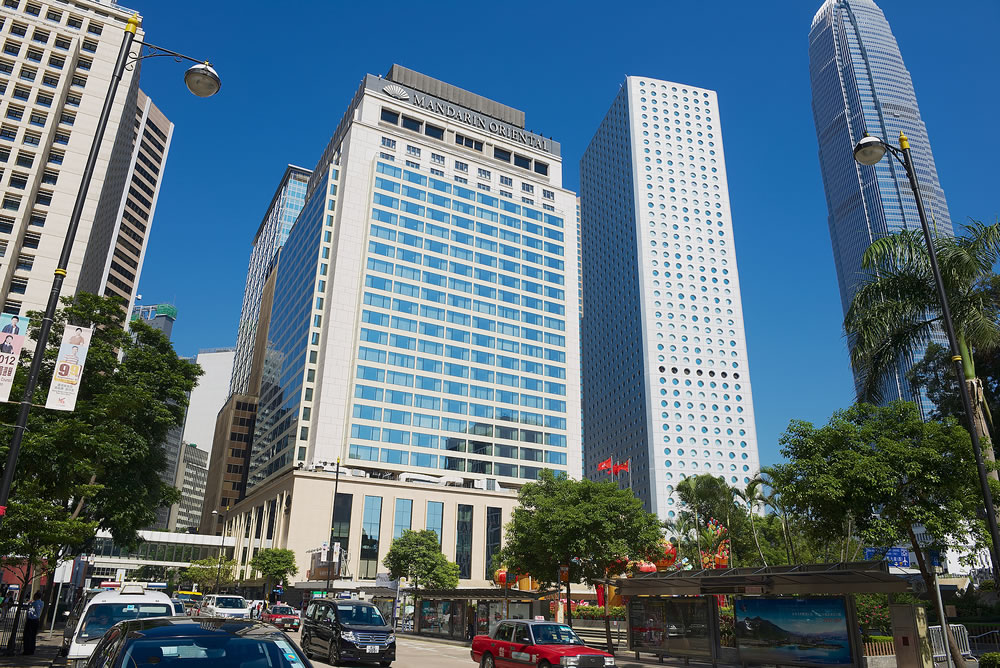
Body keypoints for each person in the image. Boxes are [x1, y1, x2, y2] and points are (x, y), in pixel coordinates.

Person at [23, 591, 43, 655]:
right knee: (33, 636)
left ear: (36, 596)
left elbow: (31, 609)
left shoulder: (34, 603)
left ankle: (27, 650)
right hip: (36, 620)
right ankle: (31, 649)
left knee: (27, 635)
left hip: (31, 620)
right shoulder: (42, 603)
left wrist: (30, 604)